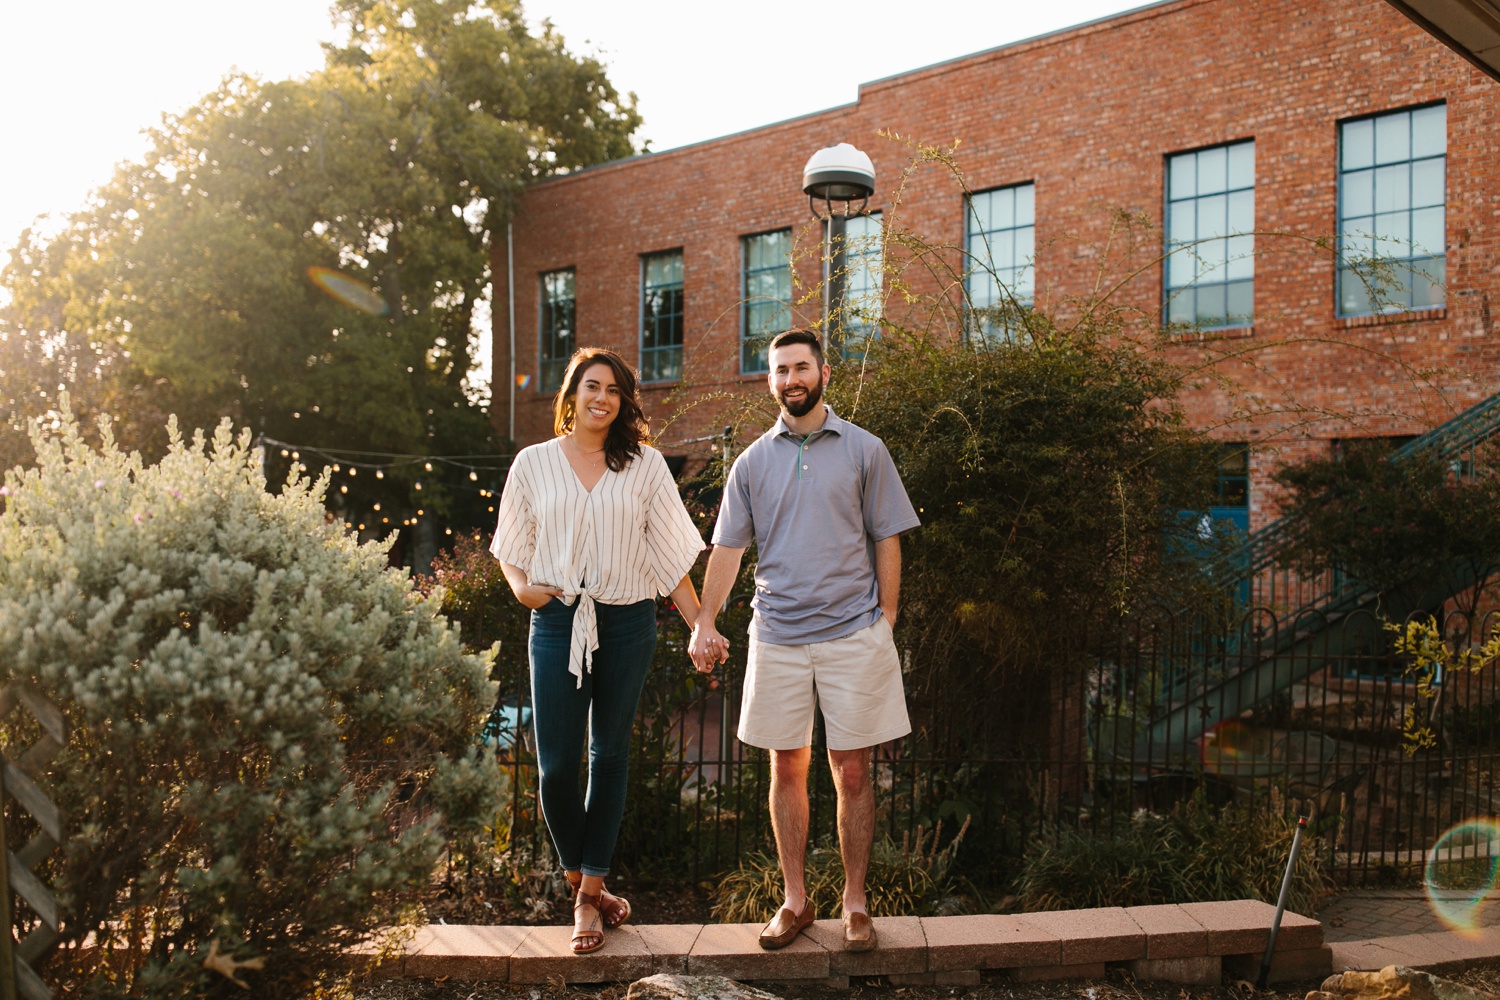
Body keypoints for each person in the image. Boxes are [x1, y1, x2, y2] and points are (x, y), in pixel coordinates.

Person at [690, 328, 920, 953]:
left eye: (800, 367)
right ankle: (795, 900)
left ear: (823, 373)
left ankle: (855, 904)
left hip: (853, 633)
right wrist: (705, 619)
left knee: (853, 770)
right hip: (778, 635)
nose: (791, 379)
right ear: (770, 381)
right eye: (780, 370)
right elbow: (728, 548)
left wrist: (887, 618)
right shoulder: (750, 463)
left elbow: (888, 536)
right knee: (786, 766)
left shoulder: (865, 449)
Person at [490, 346, 715, 954]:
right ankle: (580, 878)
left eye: (614, 390)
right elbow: (511, 544)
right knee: (556, 768)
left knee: (609, 755)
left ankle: (588, 898)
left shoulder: (645, 466)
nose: (603, 398)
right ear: (572, 395)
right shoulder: (533, 463)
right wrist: (522, 590)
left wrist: (700, 624)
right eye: (592, 386)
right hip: (556, 621)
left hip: (627, 621)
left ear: (624, 401)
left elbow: (671, 555)